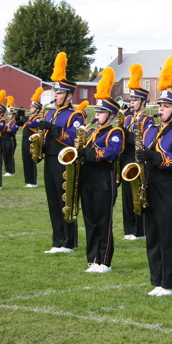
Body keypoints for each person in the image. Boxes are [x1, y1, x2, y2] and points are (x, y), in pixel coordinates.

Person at [136, 55, 172, 297]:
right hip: (151, 186)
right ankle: (157, 280)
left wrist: (154, 157)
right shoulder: (150, 131)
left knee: (169, 236)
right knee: (154, 235)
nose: (161, 109)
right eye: (160, 106)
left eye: (166, 106)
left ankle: (169, 283)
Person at [76, 67, 125, 273]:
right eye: (96, 111)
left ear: (111, 115)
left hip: (104, 179)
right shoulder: (91, 131)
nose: (97, 115)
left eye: (101, 112)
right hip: (87, 178)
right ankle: (92, 259)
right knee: (89, 220)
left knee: (103, 221)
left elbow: (108, 153)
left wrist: (84, 152)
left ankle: (104, 261)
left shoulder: (115, 132)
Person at [38, 52, 85, 254]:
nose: (54, 96)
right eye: (54, 93)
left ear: (68, 95)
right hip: (50, 160)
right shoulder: (49, 112)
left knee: (66, 200)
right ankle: (57, 241)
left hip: (65, 162)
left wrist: (51, 128)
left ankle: (68, 241)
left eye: (58, 93)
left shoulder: (76, 115)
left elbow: (72, 139)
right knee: (52, 200)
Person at [121, 63, 154, 240]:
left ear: (143, 101)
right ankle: (129, 230)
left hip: (139, 161)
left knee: (138, 195)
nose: (131, 102)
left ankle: (140, 230)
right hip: (126, 160)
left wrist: (127, 134)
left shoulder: (147, 120)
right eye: (130, 100)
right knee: (126, 196)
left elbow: (143, 141)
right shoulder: (126, 118)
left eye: (134, 100)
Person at [19, 87, 44, 188]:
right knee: (25, 161)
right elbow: (20, 123)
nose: (30, 108)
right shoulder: (29, 117)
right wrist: (18, 116)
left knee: (31, 161)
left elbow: (31, 125)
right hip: (25, 140)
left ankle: (33, 181)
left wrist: (23, 117)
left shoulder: (38, 118)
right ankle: (28, 181)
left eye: (32, 107)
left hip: (32, 142)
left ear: (37, 109)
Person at [2, 96, 19, 177]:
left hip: (10, 140)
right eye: (8, 114)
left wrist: (5, 128)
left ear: (13, 115)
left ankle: (11, 171)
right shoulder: (6, 121)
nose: (8, 115)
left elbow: (12, 130)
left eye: (10, 114)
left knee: (10, 156)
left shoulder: (14, 122)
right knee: (5, 155)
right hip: (4, 140)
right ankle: (7, 170)